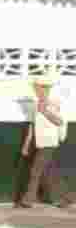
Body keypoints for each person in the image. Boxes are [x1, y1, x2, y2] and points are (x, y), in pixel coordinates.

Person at [19, 76, 71, 209]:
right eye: (35, 88)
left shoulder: (53, 103)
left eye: (37, 87)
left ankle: (28, 200)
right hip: (39, 142)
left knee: (35, 171)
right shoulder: (36, 105)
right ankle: (63, 199)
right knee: (48, 172)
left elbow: (59, 121)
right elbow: (32, 125)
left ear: (44, 89)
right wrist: (27, 144)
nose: (36, 90)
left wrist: (45, 111)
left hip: (49, 142)